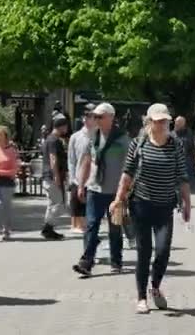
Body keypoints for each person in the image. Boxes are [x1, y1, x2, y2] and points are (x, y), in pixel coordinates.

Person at [109, 103, 191, 314]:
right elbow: (127, 174)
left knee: (163, 251)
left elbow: (182, 176)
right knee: (144, 253)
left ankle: (155, 286)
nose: (163, 124)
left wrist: (187, 203)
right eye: (158, 120)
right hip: (141, 205)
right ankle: (141, 297)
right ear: (150, 122)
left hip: (165, 206)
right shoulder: (139, 143)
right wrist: (118, 198)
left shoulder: (176, 145)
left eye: (165, 120)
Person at [72, 103, 130, 276]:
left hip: (116, 192)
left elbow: (130, 165)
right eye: (94, 116)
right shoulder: (93, 137)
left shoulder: (122, 139)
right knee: (91, 225)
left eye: (99, 116)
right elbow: (86, 162)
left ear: (111, 117)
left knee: (115, 228)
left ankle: (116, 261)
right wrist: (81, 185)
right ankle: (86, 262)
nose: (95, 119)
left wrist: (126, 190)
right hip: (94, 189)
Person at [67, 103, 95, 233]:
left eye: (91, 116)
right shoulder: (75, 137)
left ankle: (90, 225)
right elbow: (71, 159)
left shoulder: (99, 135)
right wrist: (72, 178)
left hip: (95, 178)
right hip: (79, 177)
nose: (87, 118)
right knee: (77, 202)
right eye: (86, 116)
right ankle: (78, 225)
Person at [39, 115, 68, 240]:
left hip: (48, 175)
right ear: (61, 126)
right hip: (52, 176)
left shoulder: (48, 139)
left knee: (52, 203)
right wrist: (56, 175)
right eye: (66, 126)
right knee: (59, 204)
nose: (67, 128)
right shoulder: (54, 140)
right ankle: (48, 227)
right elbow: (53, 158)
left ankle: (49, 228)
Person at [174, 116, 195, 181]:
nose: (176, 124)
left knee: (186, 180)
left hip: (187, 160)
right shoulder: (172, 134)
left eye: (178, 123)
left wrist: (194, 157)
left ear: (183, 124)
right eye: (175, 122)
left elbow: (192, 146)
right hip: (175, 160)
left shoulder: (189, 133)